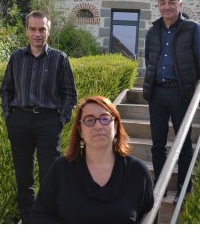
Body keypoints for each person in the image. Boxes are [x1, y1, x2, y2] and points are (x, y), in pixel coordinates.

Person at [0, 10, 78, 223]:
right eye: (33, 29)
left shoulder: (59, 59)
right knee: (24, 177)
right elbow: (6, 90)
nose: (37, 34)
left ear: (48, 31)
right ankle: (28, 220)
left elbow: (70, 94)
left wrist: (59, 120)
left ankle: (49, 219)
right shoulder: (16, 58)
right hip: (20, 122)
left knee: (50, 175)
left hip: (48, 123)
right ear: (26, 31)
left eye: (42, 29)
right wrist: (9, 116)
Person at [29, 95, 154, 223]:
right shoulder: (61, 169)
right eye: (89, 120)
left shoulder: (138, 172)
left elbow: (150, 218)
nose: (98, 126)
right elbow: (38, 216)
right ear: (80, 130)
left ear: (115, 126)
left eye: (105, 119)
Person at [142, 0, 200, 205]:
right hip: (157, 95)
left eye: (172, 2)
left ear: (180, 5)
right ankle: (159, 187)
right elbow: (149, 61)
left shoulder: (193, 29)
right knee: (157, 145)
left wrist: (186, 84)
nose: (167, 6)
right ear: (158, 5)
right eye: (163, 2)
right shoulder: (153, 31)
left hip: (181, 94)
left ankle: (183, 189)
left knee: (184, 146)